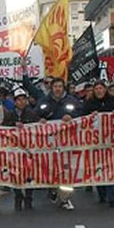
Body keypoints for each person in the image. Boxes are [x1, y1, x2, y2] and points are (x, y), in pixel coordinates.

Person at [37, 77, 82, 211]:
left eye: (60, 86)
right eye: (55, 86)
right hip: (50, 143)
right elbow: (36, 113)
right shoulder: (44, 101)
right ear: (52, 88)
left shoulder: (72, 101)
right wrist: (40, 120)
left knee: (67, 171)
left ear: (63, 88)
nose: (57, 89)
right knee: (51, 168)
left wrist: (72, 117)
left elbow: (81, 113)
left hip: (67, 142)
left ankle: (65, 199)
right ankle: (53, 189)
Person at [84, 81, 114, 208]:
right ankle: (102, 193)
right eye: (97, 89)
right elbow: (82, 119)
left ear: (105, 90)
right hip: (96, 143)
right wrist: (90, 117)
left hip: (112, 142)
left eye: (101, 88)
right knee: (99, 168)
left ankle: (113, 197)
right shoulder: (89, 103)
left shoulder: (113, 101)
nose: (99, 91)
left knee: (112, 168)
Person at [4, 88, 40, 211]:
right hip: (14, 150)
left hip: (28, 150)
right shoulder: (9, 114)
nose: (21, 102)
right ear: (15, 102)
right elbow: (4, 129)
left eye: (23, 99)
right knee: (15, 173)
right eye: (18, 100)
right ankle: (18, 195)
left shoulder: (32, 114)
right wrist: (13, 125)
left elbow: (38, 129)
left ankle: (29, 197)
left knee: (30, 173)